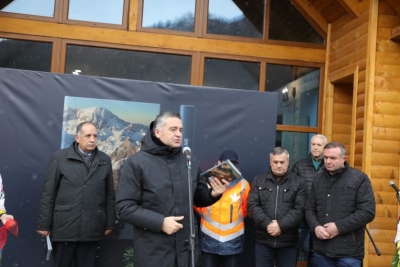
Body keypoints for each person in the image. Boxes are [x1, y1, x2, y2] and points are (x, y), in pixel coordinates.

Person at [115, 111, 228, 267]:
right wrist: (160, 222)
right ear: (157, 132)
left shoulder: (189, 160)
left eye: (181, 130)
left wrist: (213, 193)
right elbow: (124, 208)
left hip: (187, 251)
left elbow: (198, 197)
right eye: (173, 129)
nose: (178, 134)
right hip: (154, 252)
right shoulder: (136, 163)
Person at [36, 122, 115, 267]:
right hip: (64, 227)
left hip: (91, 227)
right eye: (88, 136)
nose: (92, 139)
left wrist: (109, 222)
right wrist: (44, 224)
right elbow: (49, 193)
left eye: (95, 136)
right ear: (77, 137)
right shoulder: (60, 157)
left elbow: (109, 194)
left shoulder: (105, 160)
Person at [305, 142, 375, 267]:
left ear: (344, 159)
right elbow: (309, 208)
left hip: (348, 252)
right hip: (320, 250)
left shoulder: (359, 179)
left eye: (333, 158)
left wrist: (338, 227)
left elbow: (367, 212)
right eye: (325, 157)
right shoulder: (318, 178)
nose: (328, 161)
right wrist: (315, 227)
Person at [247, 147, 306, 267]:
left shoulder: (299, 182)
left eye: (282, 162)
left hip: (288, 242)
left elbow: (300, 209)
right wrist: (268, 224)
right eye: (275, 162)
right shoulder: (259, 180)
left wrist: (280, 225)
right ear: (270, 161)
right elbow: (252, 205)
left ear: (288, 162)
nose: (279, 165)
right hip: (263, 240)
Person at [195, 149, 250, 267]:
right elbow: (197, 203)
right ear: (219, 162)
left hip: (234, 237)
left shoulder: (243, 184)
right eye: (227, 163)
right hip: (209, 235)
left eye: (233, 164)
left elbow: (246, 209)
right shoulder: (205, 181)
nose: (230, 167)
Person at [291, 134, 327, 263]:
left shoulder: (329, 166)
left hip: (322, 216)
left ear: (324, 147)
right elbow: (292, 190)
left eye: (319, 145)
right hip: (301, 215)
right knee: (294, 247)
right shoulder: (299, 166)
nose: (315, 147)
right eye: (313, 144)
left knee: (316, 252)